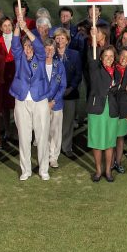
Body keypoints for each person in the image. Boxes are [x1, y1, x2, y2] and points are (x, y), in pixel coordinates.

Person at [10, 19, 52, 181]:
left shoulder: (40, 56)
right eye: (26, 46)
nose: (28, 49)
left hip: (40, 99)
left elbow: (40, 46)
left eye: (30, 46)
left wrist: (26, 29)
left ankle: (43, 169)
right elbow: (14, 44)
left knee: (42, 135)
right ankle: (25, 170)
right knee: (24, 136)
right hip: (21, 100)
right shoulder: (19, 57)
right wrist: (16, 27)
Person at [86, 44, 121, 182]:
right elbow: (91, 61)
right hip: (97, 108)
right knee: (97, 140)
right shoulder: (96, 69)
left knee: (110, 141)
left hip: (112, 109)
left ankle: (108, 171)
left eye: (111, 56)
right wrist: (93, 41)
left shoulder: (117, 72)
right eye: (105, 55)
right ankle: (98, 171)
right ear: (100, 57)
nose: (108, 58)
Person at [54, 29, 82, 160]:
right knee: (54, 122)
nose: (60, 41)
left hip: (70, 94)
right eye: (57, 38)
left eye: (62, 38)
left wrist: (70, 88)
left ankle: (66, 146)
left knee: (68, 122)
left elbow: (78, 74)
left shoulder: (75, 55)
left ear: (67, 40)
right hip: (54, 95)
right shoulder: (51, 54)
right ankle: (54, 147)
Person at [0, 18, 16, 158]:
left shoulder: (18, 38)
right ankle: (7, 130)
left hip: (15, 76)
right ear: (1, 27)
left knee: (17, 106)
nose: (7, 28)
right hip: (3, 77)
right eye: (4, 26)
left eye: (9, 25)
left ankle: (17, 131)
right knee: (5, 107)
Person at [41, 36, 67, 172]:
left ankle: (53, 157)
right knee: (42, 131)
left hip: (56, 104)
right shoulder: (38, 63)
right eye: (47, 48)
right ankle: (43, 156)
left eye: (52, 48)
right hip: (40, 104)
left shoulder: (59, 65)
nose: (49, 51)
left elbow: (63, 86)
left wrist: (53, 101)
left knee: (55, 131)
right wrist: (44, 101)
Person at [112, 48, 127, 173]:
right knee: (111, 136)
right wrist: (121, 88)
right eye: (122, 55)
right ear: (118, 56)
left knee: (120, 137)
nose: (124, 58)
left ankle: (118, 162)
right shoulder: (111, 68)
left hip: (123, 107)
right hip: (110, 106)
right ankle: (110, 162)